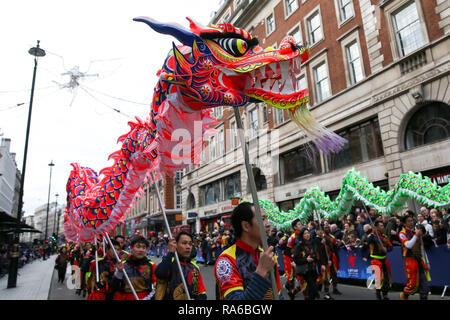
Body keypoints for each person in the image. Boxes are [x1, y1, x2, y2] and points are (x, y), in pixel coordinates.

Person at [214, 202, 283, 300]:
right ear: (246, 226)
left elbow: (278, 295)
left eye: (267, 219)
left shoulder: (266, 256)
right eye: (262, 219)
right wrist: (261, 271)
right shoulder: (226, 261)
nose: (268, 224)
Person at [154, 231, 206, 300]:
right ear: (176, 245)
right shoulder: (170, 262)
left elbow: (202, 293)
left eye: (190, 244)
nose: (188, 247)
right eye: (184, 243)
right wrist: (170, 253)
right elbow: (160, 274)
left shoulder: (194, 268)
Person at [110, 236, 157, 300]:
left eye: (144, 247)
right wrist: (119, 272)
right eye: (138, 247)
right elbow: (113, 288)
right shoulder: (122, 265)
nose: (141, 250)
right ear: (131, 248)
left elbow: (157, 288)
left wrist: (147, 298)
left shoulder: (152, 266)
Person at [398, 215, 431, 300]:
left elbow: (422, 249)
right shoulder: (402, 233)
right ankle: (404, 295)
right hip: (410, 260)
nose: (411, 222)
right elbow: (408, 245)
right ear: (404, 223)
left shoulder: (416, 232)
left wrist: (427, 262)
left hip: (419, 260)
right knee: (412, 284)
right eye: (409, 221)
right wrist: (416, 235)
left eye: (412, 221)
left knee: (424, 285)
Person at [293, 228, 324, 300]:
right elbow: (296, 260)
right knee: (313, 288)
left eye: (308, 233)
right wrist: (306, 260)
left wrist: (321, 264)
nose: (307, 235)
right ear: (302, 235)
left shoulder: (313, 243)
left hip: (314, 269)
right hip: (305, 270)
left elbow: (318, 253)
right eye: (305, 233)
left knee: (311, 290)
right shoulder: (299, 246)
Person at [367, 220, 393, 300]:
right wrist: (374, 233)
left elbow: (390, 247)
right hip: (375, 259)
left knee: (386, 278)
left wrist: (386, 249)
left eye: (383, 226)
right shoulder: (371, 236)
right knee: (379, 278)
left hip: (384, 260)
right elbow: (369, 241)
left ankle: (385, 294)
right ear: (376, 227)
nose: (383, 227)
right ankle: (378, 293)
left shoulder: (384, 237)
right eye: (381, 226)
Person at [284, 219, 303, 300]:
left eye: (300, 224)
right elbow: (287, 251)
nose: (301, 225)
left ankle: (292, 291)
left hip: (300, 260)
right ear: (295, 227)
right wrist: (292, 261)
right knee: (291, 278)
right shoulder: (292, 238)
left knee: (302, 278)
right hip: (290, 259)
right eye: (299, 224)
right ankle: (290, 289)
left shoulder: (303, 235)